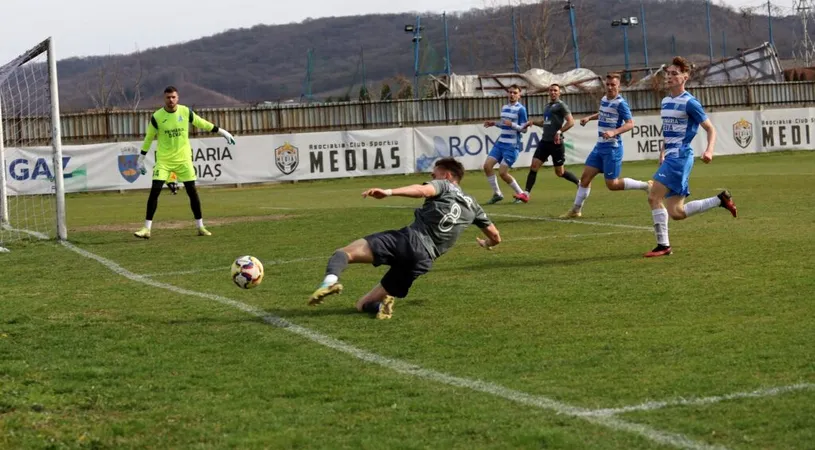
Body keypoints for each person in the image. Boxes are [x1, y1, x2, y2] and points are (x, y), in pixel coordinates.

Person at [308, 157, 501, 319]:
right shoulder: (474, 206)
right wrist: (486, 243)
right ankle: (380, 306)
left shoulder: (445, 185)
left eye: (434, 175)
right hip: (423, 261)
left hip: (409, 241)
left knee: (343, 253)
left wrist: (389, 192)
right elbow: (495, 236)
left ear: (448, 176)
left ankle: (329, 282)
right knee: (362, 304)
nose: (431, 179)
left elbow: (422, 190)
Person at [644, 57, 738, 257]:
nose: (669, 77)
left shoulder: (690, 102)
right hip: (671, 156)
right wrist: (663, 151)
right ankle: (720, 200)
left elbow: (710, 129)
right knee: (676, 213)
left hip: (679, 157)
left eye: (674, 74)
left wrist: (709, 150)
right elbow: (669, 130)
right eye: (668, 73)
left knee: (653, 196)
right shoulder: (666, 101)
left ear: (685, 77)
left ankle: (663, 246)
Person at [133, 86, 236, 239]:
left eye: (173, 97)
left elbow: (203, 123)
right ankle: (146, 229)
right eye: (168, 97)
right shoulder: (157, 117)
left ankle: (200, 227)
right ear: (164, 98)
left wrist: (223, 132)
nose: (171, 100)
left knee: (192, 193)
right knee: (154, 191)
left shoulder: (185, 112)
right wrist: (140, 159)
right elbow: (148, 138)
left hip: (184, 161)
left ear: (178, 98)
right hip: (164, 161)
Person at [560, 73, 651, 218]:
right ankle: (576, 210)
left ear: (618, 86)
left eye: (612, 85)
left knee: (612, 185)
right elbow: (603, 113)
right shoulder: (604, 99)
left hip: (612, 148)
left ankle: (646, 185)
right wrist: (589, 118)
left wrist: (614, 132)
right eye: (607, 84)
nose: (609, 87)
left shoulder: (621, 103)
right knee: (585, 179)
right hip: (600, 147)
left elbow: (630, 124)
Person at [515, 83, 578, 203]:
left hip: (556, 143)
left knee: (560, 172)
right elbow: (546, 122)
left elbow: (571, 122)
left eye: (555, 90)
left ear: (559, 93)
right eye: (551, 90)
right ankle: (526, 194)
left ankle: (579, 183)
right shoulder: (547, 106)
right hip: (544, 142)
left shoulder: (561, 105)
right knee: (534, 166)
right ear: (549, 92)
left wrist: (559, 131)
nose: (553, 92)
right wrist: (533, 122)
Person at [482, 84, 528, 204]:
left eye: (514, 93)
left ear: (519, 95)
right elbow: (504, 124)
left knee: (502, 173)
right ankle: (497, 194)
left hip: (512, 146)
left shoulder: (521, 109)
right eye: (510, 92)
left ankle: (521, 194)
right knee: (487, 166)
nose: (512, 95)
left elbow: (524, 129)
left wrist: (512, 124)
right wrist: (494, 123)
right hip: (500, 143)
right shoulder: (504, 107)